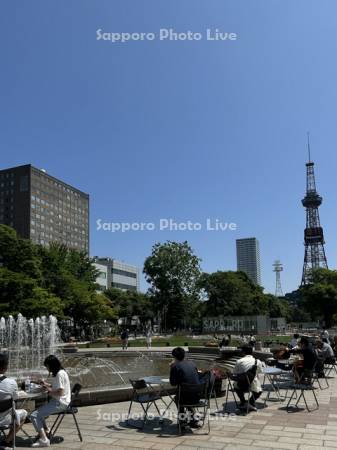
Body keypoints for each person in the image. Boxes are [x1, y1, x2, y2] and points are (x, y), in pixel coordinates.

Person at [30, 355, 71, 448]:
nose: (47, 368)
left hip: (60, 403)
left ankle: (44, 440)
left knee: (33, 415)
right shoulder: (62, 372)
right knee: (38, 412)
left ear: (51, 365)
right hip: (63, 401)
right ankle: (46, 430)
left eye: (47, 366)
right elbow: (58, 387)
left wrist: (48, 390)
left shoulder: (59, 374)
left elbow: (60, 392)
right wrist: (45, 384)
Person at [0, 353, 27, 447]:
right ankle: (7, 440)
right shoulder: (11, 382)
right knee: (23, 413)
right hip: (4, 419)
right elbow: (15, 398)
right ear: (5, 367)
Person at [169, 347, 200, 429]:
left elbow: (173, 383)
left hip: (185, 398)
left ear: (174, 357)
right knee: (186, 394)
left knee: (179, 398)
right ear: (184, 355)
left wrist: (172, 368)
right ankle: (193, 420)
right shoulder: (193, 364)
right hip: (197, 397)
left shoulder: (175, 366)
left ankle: (182, 421)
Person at [233, 345, 264, 412]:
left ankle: (243, 401)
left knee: (235, 385)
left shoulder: (239, 361)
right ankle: (250, 402)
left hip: (240, 384)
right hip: (252, 383)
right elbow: (260, 371)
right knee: (259, 391)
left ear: (243, 352)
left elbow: (235, 372)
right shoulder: (257, 361)